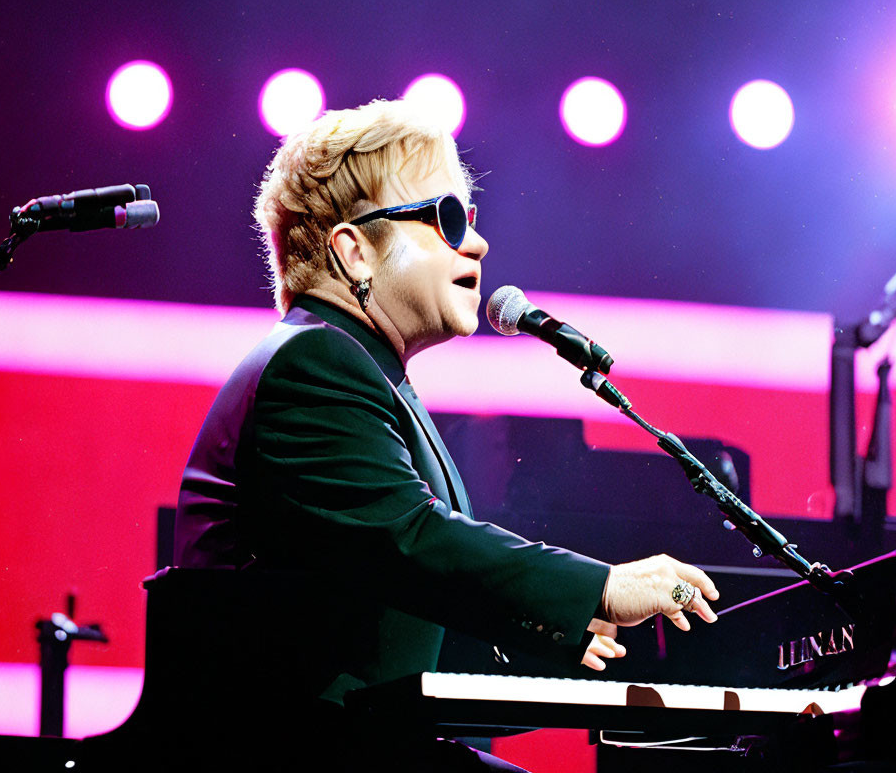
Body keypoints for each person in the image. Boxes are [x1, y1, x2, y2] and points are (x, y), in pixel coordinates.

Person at [173, 98, 718, 770]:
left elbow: (393, 608)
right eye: (446, 218)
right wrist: (598, 588)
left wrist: (562, 628)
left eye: (472, 218)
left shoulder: (357, 367)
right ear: (354, 251)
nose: (478, 243)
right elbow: (410, 541)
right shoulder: (314, 365)